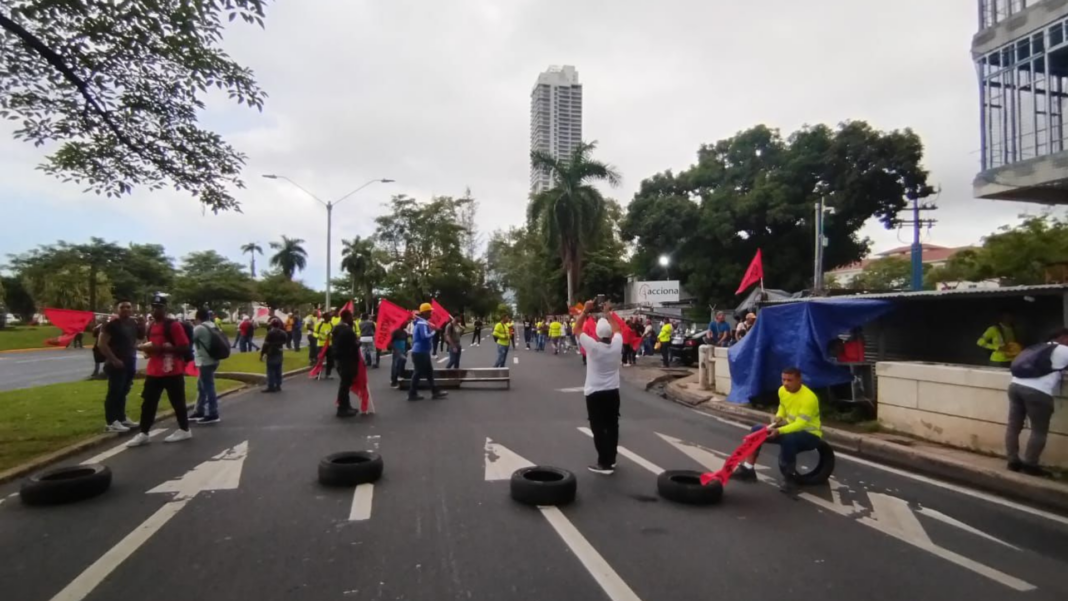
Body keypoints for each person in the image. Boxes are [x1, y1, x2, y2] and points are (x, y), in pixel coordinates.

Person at [733, 367, 822, 494]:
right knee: (756, 430)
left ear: (799, 380)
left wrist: (780, 431)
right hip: (789, 429)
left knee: (789, 439)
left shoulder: (809, 398)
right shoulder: (782, 390)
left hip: (809, 435)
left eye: (789, 380)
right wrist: (779, 417)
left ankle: (790, 478)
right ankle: (748, 469)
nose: (785, 383)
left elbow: (801, 424)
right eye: (783, 379)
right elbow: (783, 407)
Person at [127, 294, 192, 447]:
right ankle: (144, 433)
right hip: (154, 371)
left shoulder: (173, 325)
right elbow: (151, 345)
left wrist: (161, 348)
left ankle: (184, 429)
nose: (156, 310)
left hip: (172, 370)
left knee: (178, 402)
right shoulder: (151, 326)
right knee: (148, 403)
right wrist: (147, 349)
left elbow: (184, 347)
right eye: (154, 307)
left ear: (165, 308)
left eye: (159, 307)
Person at [1005, 328, 1068, 477]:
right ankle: (1030, 465)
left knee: (1013, 426)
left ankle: (1013, 461)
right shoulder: (1063, 350)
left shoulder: (1035, 348)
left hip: (1015, 387)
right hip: (1037, 392)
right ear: (1064, 337)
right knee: (1039, 430)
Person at [576, 300, 624, 475]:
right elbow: (618, 329)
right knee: (612, 426)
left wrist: (586, 310)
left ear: (596, 333)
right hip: (613, 392)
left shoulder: (593, 347)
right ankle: (611, 459)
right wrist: (608, 314)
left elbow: (577, 329)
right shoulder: (617, 344)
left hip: (595, 393)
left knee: (598, 428)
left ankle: (603, 463)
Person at [97, 300, 139, 432]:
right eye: (122, 307)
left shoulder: (133, 324)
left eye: (128, 307)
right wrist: (114, 359)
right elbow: (101, 344)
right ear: (117, 309)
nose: (126, 309)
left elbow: (133, 342)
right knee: (114, 392)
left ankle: (121, 418)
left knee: (124, 391)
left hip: (129, 362)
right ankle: (111, 422)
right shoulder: (111, 325)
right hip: (116, 364)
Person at [409, 303, 447, 401]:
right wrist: (435, 331)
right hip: (420, 352)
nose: (431, 313)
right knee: (417, 373)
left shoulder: (422, 322)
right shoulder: (422, 323)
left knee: (429, 373)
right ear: (425, 312)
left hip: (423, 352)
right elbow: (424, 336)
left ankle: (435, 392)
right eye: (429, 311)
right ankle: (412, 394)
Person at [189, 308, 222, 424]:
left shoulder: (199, 328)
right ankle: (199, 410)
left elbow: (189, 339)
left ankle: (213, 413)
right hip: (214, 359)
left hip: (204, 361)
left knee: (208, 387)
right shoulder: (213, 325)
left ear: (198, 318)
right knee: (201, 386)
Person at [332, 310, 360, 417]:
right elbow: (353, 344)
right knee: (345, 385)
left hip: (340, 358)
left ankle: (346, 405)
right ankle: (342, 408)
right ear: (347, 317)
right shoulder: (347, 330)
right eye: (351, 317)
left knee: (345, 384)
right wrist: (358, 342)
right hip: (347, 359)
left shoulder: (337, 328)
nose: (352, 319)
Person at [261, 318, 288, 393]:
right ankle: (278, 385)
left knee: (271, 370)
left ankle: (271, 386)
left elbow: (265, 344)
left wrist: (262, 353)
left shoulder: (270, 333)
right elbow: (285, 340)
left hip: (271, 353)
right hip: (279, 352)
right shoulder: (283, 333)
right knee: (278, 369)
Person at [390, 318, 411, 388]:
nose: (407, 324)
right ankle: (394, 381)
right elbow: (390, 342)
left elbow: (406, 342)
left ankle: (399, 377)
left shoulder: (404, 332)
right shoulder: (396, 332)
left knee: (401, 364)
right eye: (406, 323)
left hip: (403, 351)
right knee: (395, 365)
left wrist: (406, 349)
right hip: (397, 351)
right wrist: (396, 350)